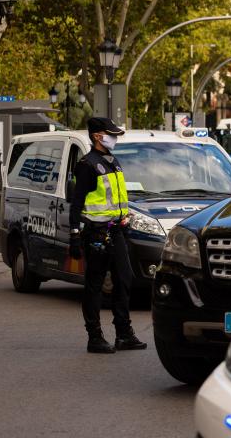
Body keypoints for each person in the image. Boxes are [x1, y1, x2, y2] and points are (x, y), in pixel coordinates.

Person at [68, 117, 147, 354]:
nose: (114, 138)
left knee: (124, 279)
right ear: (97, 136)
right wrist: (74, 235)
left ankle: (124, 334)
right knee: (95, 285)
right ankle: (94, 337)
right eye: (110, 134)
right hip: (96, 232)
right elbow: (76, 204)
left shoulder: (113, 161)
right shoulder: (87, 165)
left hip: (116, 230)